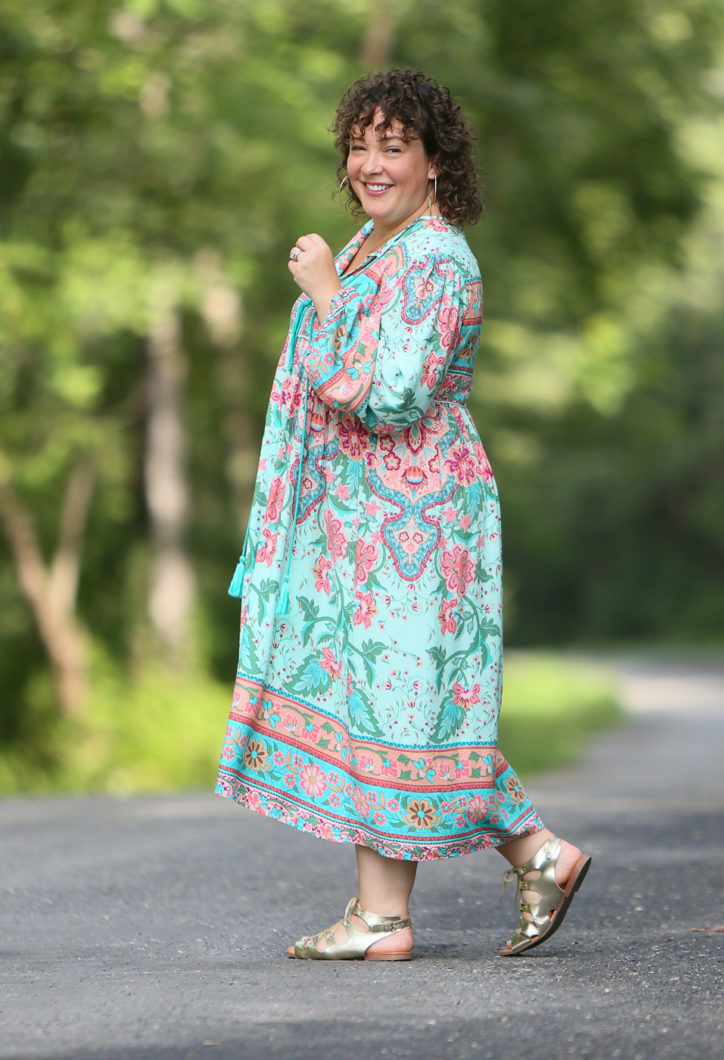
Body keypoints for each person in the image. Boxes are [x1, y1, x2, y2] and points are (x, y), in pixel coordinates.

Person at [216, 68, 591, 961]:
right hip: (362, 518)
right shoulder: (375, 245)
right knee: (382, 705)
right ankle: (399, 909)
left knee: (407, 707)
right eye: (360, 145)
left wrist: (320, 294)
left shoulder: (434, 258)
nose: (372, 163)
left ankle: (499, 867)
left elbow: (390, 396)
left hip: (416, 519)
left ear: (434, 162)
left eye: (394, 146)